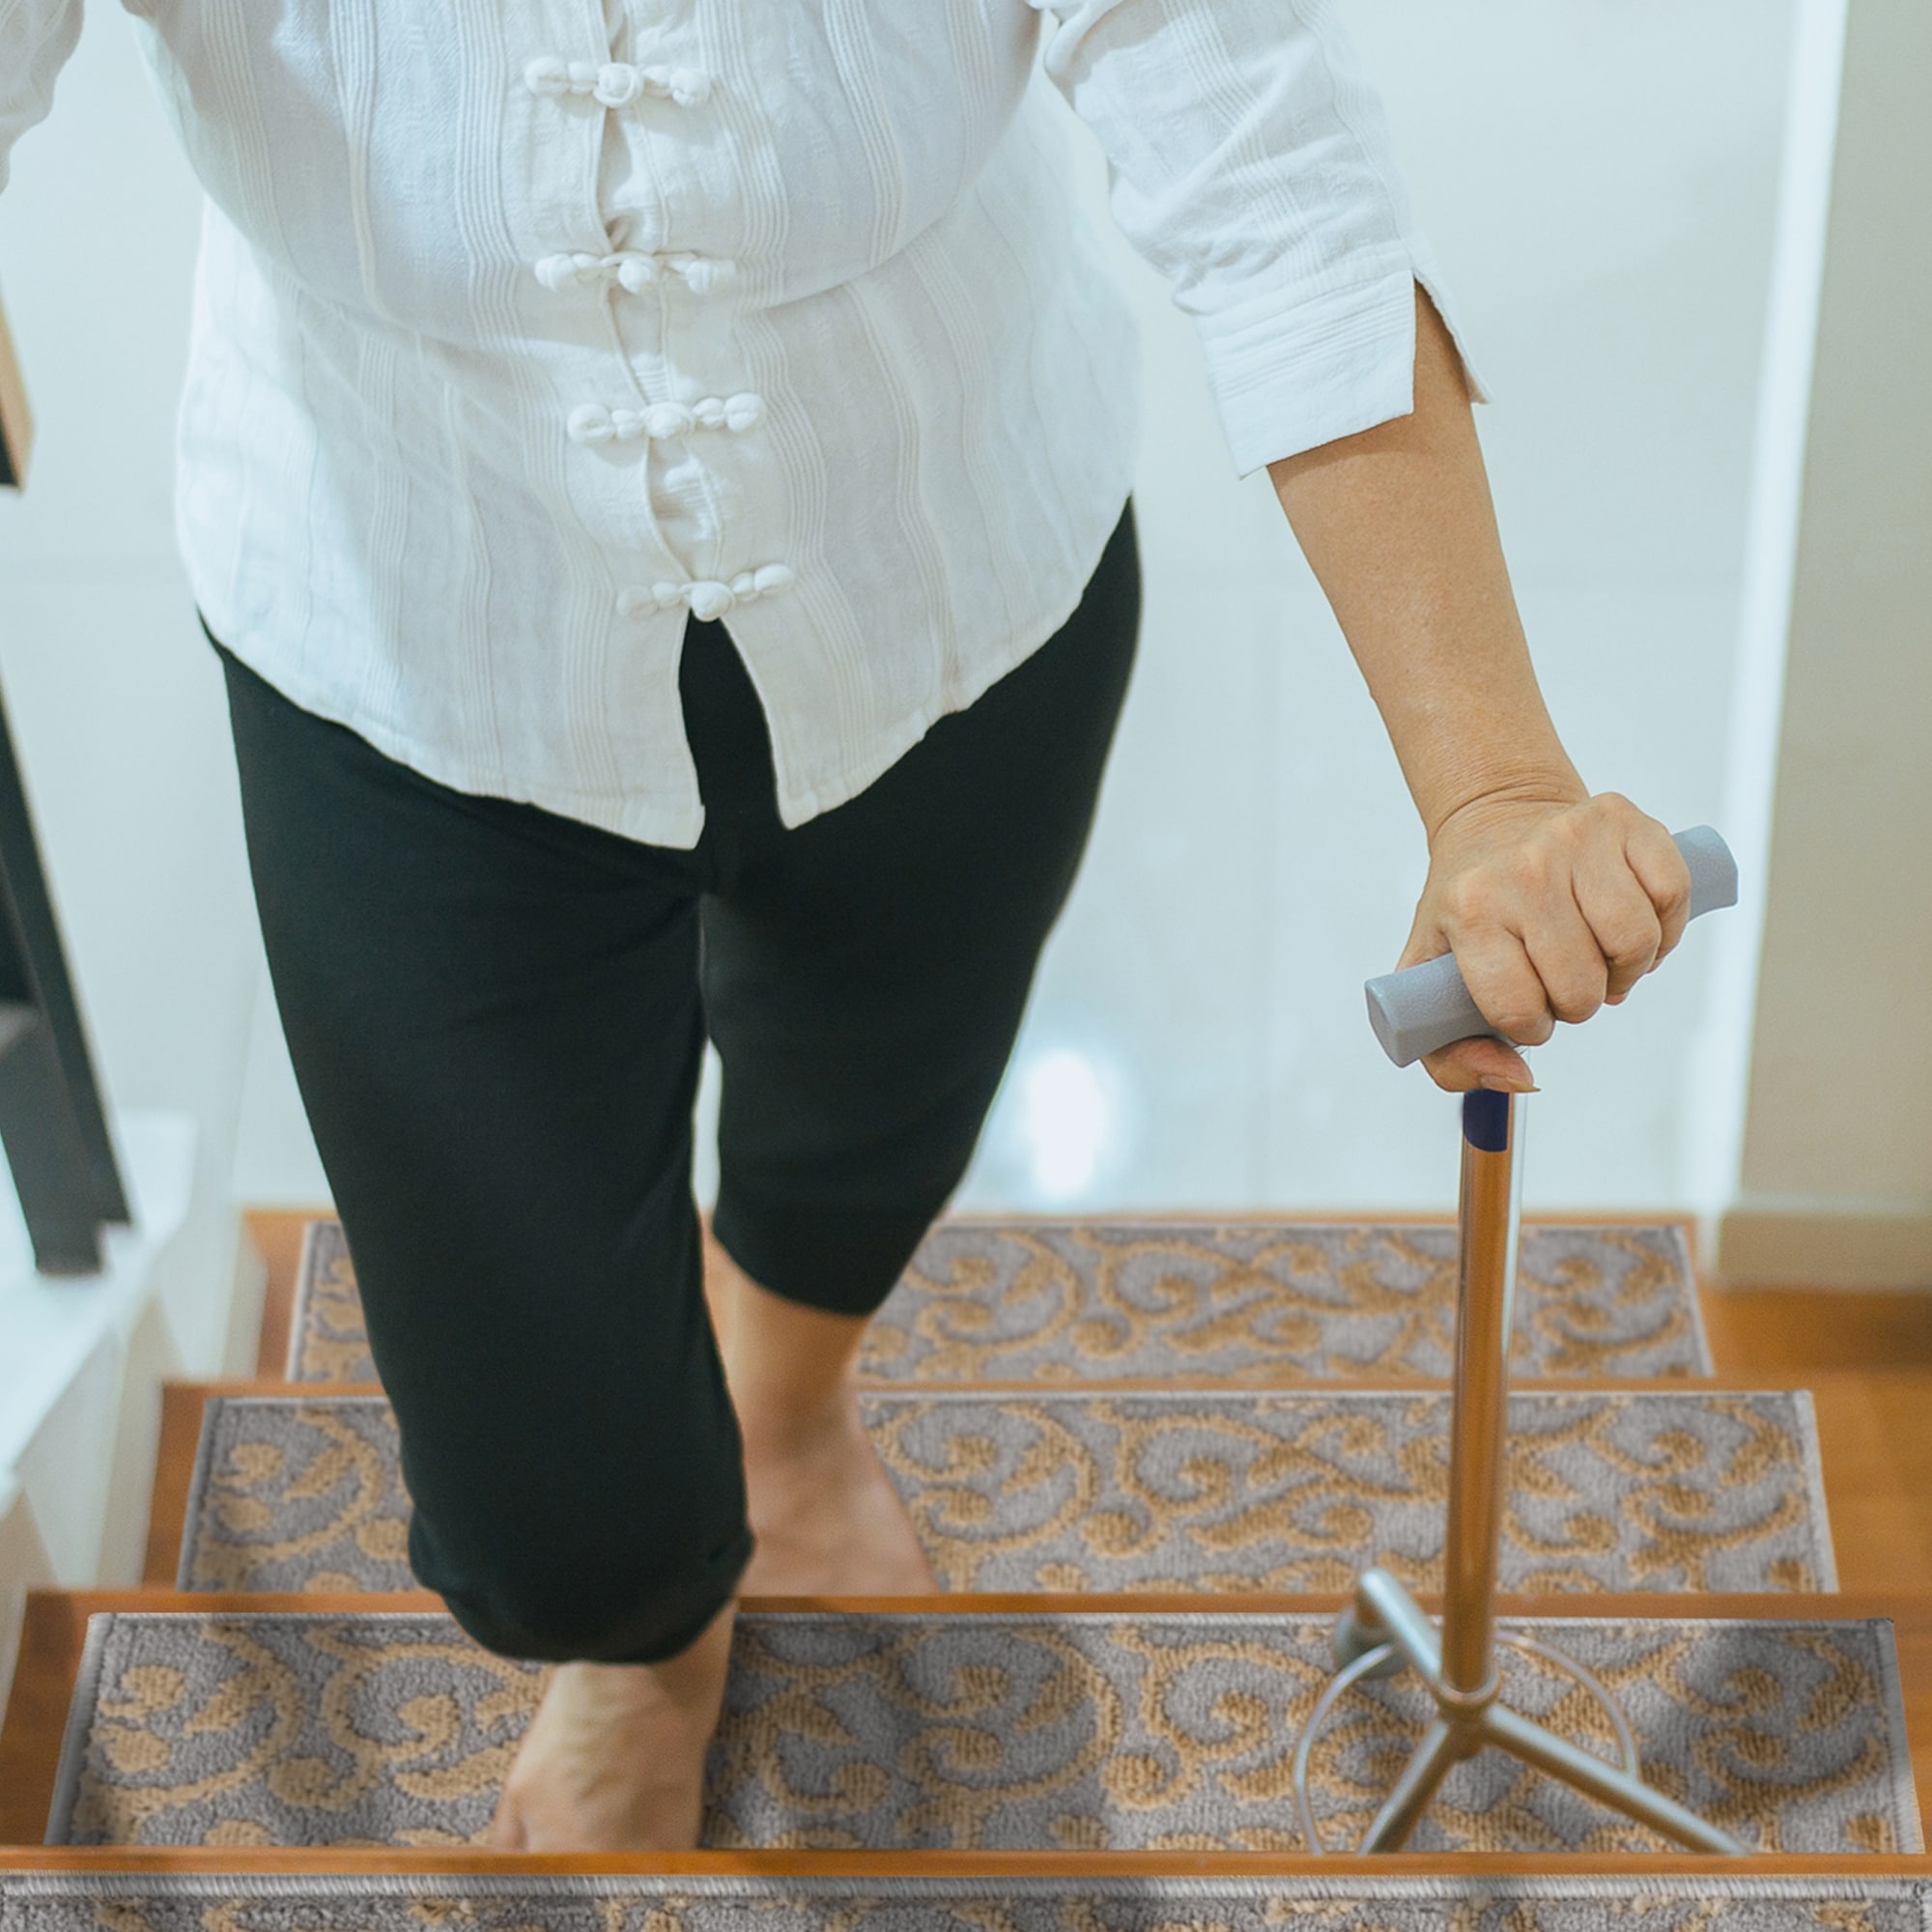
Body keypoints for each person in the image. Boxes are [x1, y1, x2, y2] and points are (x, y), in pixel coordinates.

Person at [2, 0, 1692, 1851]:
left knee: (873, 1093)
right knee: (548, 1520)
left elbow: (1272, 161)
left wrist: (1491, 785)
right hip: (416, 624)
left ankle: (787, 1411)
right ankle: (631, 1641)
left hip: (939, 562)